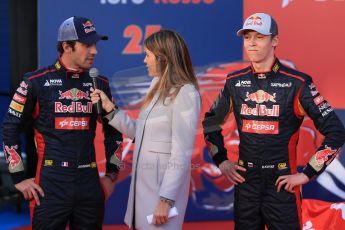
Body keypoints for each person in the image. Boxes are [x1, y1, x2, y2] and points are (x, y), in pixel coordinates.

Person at [202, 12, 345, 230]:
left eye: (259, 37)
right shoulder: (234, 82)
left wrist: (306, 174)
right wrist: (221, 160)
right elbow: (210, 122)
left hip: (282, 186)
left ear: (275, 40)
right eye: (247, 37)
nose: (252, 43)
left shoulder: (297, 83)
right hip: (246, 184)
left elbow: (336, 132)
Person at [2, 16, 122, 229]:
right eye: (87, 45)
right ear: (67, 46)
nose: (94, 51)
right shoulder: (35, 81)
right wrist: (18, 177)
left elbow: (114, 130)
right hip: (51, 183)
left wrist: (112, 174)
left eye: (95, 44)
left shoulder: (100, 83)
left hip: (89, 182)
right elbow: (11, 126)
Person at [91, 29, 201, 230]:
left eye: (147, 55)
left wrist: (166, 200)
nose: (144, 60)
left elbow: (181, 154)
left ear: (163, 58)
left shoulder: (186, 93)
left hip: (162, 196)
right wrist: (110, 109)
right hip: (143, 192)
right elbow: (140, 134)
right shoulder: (156, 85)